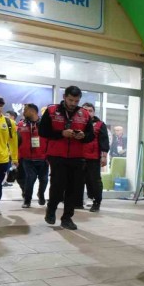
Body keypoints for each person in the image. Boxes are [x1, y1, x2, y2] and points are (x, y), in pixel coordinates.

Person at [39, 85, 95, 230]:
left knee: (73, 189)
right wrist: (61, 134)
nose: (73, 103)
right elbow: (43, 131)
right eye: (70, 100)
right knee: (57, 186)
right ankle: (51, 209)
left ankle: (67, 218)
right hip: (57, 155)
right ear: (64, 97)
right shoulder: (51, 111)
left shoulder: (85, 114)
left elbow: (91, 136)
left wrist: (83, 136)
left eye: (76, 101)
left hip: (77, 157)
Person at [17, 104, 48, 208]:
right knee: (30, 179)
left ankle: (41, 194)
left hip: (43, 158)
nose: (23, 112)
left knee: (44, 180)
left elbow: (50, 140)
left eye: (25, 110)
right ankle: (27, 200)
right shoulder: (21, 124)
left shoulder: (44, 124)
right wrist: (18, 156)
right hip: (27, 158)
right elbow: (17, 141)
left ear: (32, 111)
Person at [80, 102, 109, 212]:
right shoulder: (77, 123)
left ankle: (96, 202)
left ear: (94, 112)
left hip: (93, 157)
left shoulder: (100, 124)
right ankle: (78, 202)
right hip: (78, 157)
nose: (88, 113)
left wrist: (104, 157)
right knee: (79, 180)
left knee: (94, 181)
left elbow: (104, 141)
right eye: (85, 110)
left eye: (90, 110)